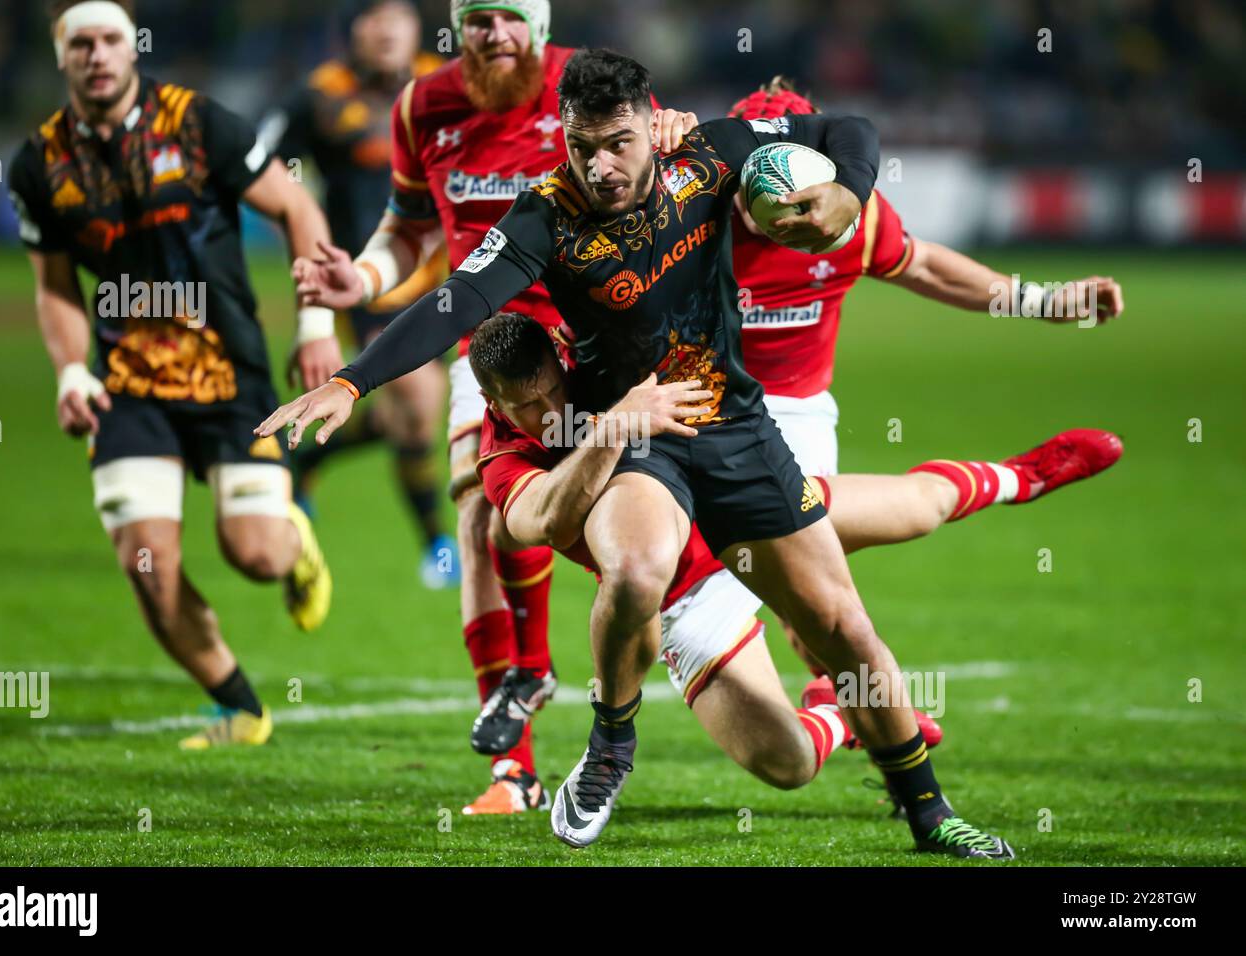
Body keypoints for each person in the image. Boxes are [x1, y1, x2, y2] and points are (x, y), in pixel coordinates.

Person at [258, 48, 1018, 858]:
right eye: (582, 147)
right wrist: (350, 382)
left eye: (617, 142)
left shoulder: (712, 155)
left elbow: (847, 127)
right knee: (635, 567)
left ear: (651, 123)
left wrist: (847, 191)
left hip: (733, 424)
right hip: (633, 430)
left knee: (844, 628)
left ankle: (930, 814)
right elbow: (457, 300)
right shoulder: (543, 215)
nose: (600, 165)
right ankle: (611, 746)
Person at [468, 312, 1119, 830]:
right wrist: (614, 427)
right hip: (689, 601)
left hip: (738, 517)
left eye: (552, 389)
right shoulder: (502, 457)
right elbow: (544, 521)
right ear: (490, 402)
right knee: (788, 765)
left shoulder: (599, 358)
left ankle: (1023, 476)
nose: (546, 411)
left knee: (918, 508)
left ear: (560, 354)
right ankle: (838, 711)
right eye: (524, 405)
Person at [288, 3, 697, 814]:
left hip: (601, 341)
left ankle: (780, 656)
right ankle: (512, 761)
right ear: (459, 27)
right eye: (480, 18)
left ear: (538, 28)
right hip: (498, 350)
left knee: (654, 532)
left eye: (514, 17)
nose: (498, 33)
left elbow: (667, 170)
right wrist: (361, 283)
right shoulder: (423, 107)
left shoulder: (586, 90)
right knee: (477, 510)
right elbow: (408, 231)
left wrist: (676, 131)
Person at [9, 0, 336, 748]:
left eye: (111, 40)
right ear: (62, 57)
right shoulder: (40, 163)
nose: (97, 55)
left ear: (134, 48)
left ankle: (294, 542)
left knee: (253, 553)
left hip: (229, 371)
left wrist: (316, 324)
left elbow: (295, 207)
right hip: (125, 385)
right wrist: (67, 373)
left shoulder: (197, 125)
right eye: (81, 44)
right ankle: (240, 705)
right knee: (147, 565)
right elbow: (55, 284)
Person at [729, 76, 1126, 685]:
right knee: (787, 580)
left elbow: (925, 266)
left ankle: (861, 713)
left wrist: (1041, 300)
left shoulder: (846, 217)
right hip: (704, 413)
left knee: (806, 583)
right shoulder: (683, 222)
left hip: (799, 413)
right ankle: (864, 709)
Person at [260, 0, 457, 588]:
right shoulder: (319, 96)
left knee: (414, 416)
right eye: (373, 17)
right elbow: (258, 165)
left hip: (444, 277)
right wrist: (301, 226)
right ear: (352, 31)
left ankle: (305, 457)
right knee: (420, 406)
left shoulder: (444, 85)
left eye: (398, 16)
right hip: (364, 279)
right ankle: (437, 545)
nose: (387, 28)